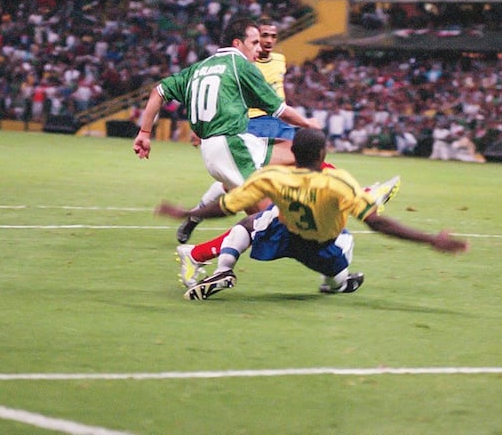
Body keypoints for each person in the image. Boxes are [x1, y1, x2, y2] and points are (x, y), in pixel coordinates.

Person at [156, 128, 470, 300]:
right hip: (320, 248)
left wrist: (186, 212)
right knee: (344, 251)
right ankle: (336, 283)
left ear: (292, 154)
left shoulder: (274, 177)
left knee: (251, 222)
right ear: (323, 154)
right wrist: (431, 240)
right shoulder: (338, 181)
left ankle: (224, 267)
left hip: (283, 236)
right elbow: (379, 223)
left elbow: (225, 205)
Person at [133, 17, 320, 240]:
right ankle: (199, 252)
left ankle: (334, 193)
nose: (259, 48)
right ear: (237, 43)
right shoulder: (241, 65)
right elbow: (279, 110)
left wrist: (144, 133)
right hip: (231, 146)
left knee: (299, 151)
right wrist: (307, 123)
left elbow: (158, 92)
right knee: (269, 221)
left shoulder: (198, 68)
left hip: (229, 144)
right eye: (254, 43)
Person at [246, 17, 296, 141]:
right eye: (265, 35)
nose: (269, 40)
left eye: (273, 36)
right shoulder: (246, 63)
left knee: (294, 150)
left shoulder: (280, 59)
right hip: (255, 120)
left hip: (280, 119)